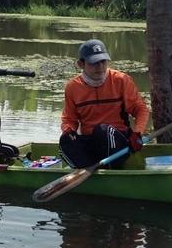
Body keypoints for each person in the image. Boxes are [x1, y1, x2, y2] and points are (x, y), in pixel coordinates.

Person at [59, 39, 150, 169]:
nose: (100, 67)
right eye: (94, 63)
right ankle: (87, 169)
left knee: (102, 131)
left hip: (118, 141)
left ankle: (108, 168)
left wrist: (137, 133)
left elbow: (140, 109)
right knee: (65, 140)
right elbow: (69, 119)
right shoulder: (72, 87)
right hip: (90, 141)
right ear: (81, 64)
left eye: (103, 62)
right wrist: (68, 131)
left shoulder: (121, 80)